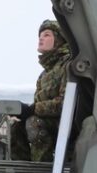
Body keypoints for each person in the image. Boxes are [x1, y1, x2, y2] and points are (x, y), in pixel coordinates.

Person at [11, 19, 72, 164]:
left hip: (65, 124)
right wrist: (25, 111)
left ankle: (43, 171)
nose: (41, 39)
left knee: (33, 123)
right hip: (47, 121)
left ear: (59, 39)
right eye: (40, 35)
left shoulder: (68, 66)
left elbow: (65, 103)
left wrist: (32, 110)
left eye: (47, 35)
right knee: (16, 128)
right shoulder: (44, 74)